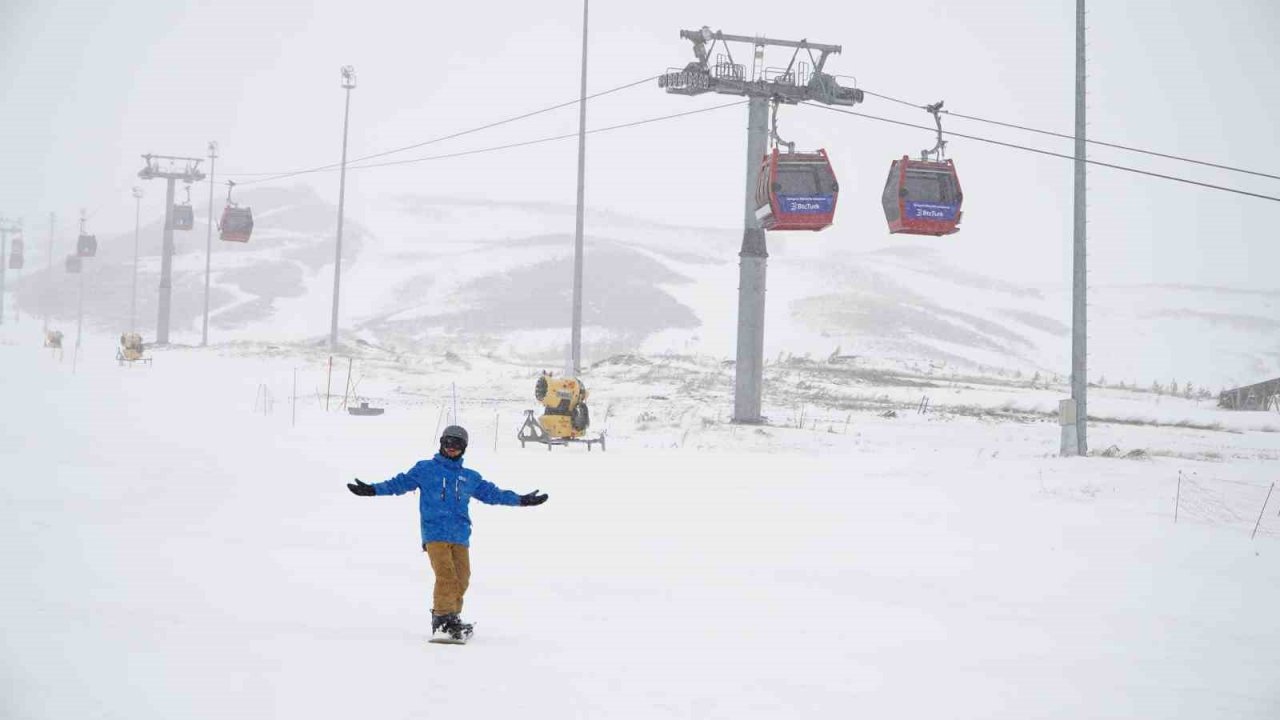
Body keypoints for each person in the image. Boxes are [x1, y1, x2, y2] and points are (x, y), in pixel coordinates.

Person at [346, 425, 548, 643]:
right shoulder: (425, 469)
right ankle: (441, 620)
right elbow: (399, 483)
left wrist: (522, 500)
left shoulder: (470, 477)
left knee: (462, 578)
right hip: (435, 533)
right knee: (446, 576)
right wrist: (372, 490)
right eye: (448, 443)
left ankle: (453, 617)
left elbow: (493, 494)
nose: (452, 448)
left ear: (464, 448)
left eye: (457, 444)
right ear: (441, 443)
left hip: (460, 535)